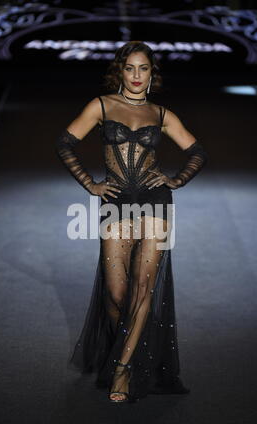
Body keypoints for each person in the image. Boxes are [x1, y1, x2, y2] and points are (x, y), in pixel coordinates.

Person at [55, 40, 208, 404]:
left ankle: (122, 369)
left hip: (156, 204)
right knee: (116, 292)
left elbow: (197, 151)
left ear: (152, 73)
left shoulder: (161, 114)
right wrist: (90, 184)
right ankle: (125, 347)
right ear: (119, 71)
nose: (137, 76)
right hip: (116, 202)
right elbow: (64, 143)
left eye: (144, 69)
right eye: (130, 68)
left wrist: (176, 180)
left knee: (143, 287)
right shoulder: (102, 105)